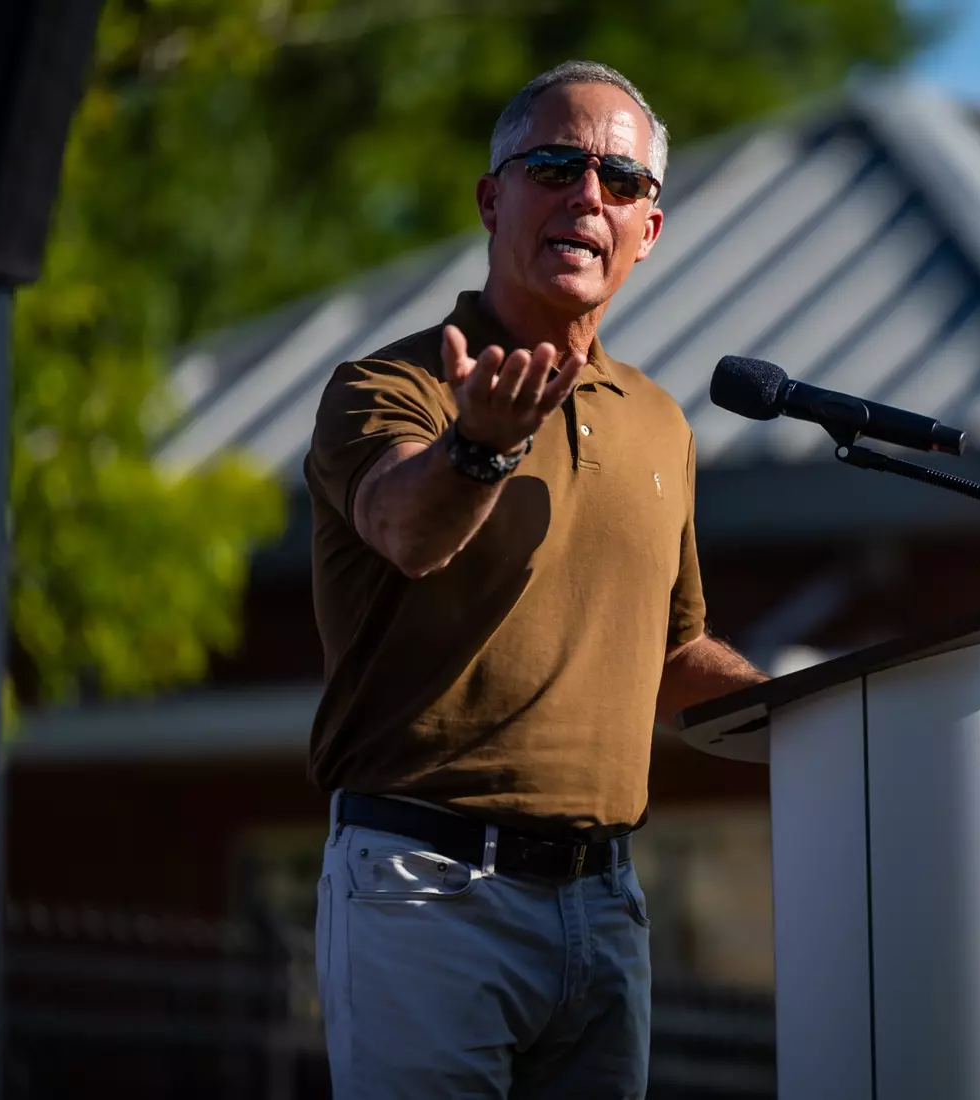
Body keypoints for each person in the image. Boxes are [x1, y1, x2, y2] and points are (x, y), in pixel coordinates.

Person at [304, 59, 767, 1099]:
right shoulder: (393, 385)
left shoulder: (661, 421)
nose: (586, 196)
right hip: (425, 890)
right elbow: (403, 527)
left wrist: (838, 712)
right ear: (491, 197)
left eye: (620, 180)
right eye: (554, 163)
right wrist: (479, 443)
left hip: (604, 905)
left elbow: (672, 656)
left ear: (650, 230)